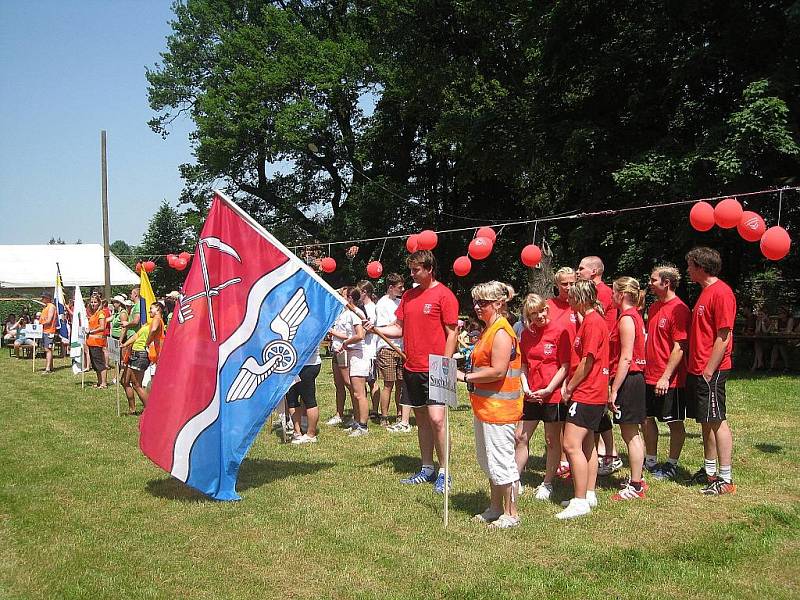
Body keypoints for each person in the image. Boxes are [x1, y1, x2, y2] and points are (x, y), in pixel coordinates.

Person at [370, 250, 459, 494]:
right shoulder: (408, 296)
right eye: (410, 269)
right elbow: (398, 329)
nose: (412, 274)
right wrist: (374, 329)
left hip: (438, 368)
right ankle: (427, 467)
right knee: (422, 421)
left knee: (438, 420)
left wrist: (445, 363)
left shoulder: (444, 295)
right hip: (411, 365)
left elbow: (452, 333)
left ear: (429, 269)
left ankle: (445, 471)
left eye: (416, 270)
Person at [455, 282, 523, 528]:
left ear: (498, 303)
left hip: (500, 409)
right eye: (475, 302)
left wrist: (465, 376)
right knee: (489, 461)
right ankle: (495, 507)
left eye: (482, 303)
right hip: (485, 407)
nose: (476, 307)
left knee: (503, 462)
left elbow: (498, 370)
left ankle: (511, 513)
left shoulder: (502, 332)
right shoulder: (488, 329)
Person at [685, 247, 737, 495]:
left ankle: (725, 479)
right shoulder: (706, 292)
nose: (687, 270)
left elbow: (723, 335)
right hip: (700, 368)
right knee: (706, 421)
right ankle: (709, 472)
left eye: (690, 265)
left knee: (717, 421)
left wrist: (708, 370)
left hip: (711, 370)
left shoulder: (722, 292)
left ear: (701, 267)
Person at [559, 280, 609, 519]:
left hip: (587, 392)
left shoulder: (592, 322)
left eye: (571, 297)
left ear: (581, 299)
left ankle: (579, 501)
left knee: (570, 444)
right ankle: (588, 493)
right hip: (592, 392)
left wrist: (569, 387)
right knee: (586, 445)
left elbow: (587, 361)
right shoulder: (590, 320)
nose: (568, 301)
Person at [515, 293, 570, 501]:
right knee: (520, 436)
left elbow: (565, 366)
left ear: (547, 309)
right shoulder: (527, 335)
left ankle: (547, 483)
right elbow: (524, 365)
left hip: (552, 395)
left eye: (541, 311)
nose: (539, 316)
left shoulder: (559, 331)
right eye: (533, 313)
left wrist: (548, 389)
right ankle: (515, 478)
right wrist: (526, 387)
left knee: (551, 440)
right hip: (531, 394)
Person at [643, 265, 691, 481]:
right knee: (646, 418)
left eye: (654, 280)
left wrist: (665, 376)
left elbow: (679, 346)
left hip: (670, 380)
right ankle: (650, 460)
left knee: (673, 422)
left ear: (666, 283)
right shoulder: (653, 307)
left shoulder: (679, 309)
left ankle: (672, 464)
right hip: (648, 375)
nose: (650, 283)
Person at [577, 256, 620, 475]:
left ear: (594, 271)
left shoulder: (600, 292)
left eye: (582, 268)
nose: (578, 271)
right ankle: (603, 452)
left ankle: (610, 453)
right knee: (598, 411)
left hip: (603, 358)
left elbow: (604, 330)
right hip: (601, 356)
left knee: (599, 409)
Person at [607, 277, 648, 500]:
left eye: (613, 292)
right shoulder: (634, 317)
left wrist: (614, 389)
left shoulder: (627, 319)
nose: (611, 296)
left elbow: (625, 357)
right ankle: (637, 477)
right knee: (632, 432)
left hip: (629, 380)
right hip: (633, 379)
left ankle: (636, 485)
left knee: (630, 433)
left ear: (621, 295)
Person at [549, 266, 578, 479]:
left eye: (571, 283)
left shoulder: (580, 305)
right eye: (564, 284)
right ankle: (561, 459)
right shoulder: (549, 306)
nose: (568, 287)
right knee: (557, 417)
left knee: (577, 417)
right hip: (555, 367)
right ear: (557, 284)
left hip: (578, 367)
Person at [374, 273, 410, 431]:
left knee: (401, 384)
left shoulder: (401, 302)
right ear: (390, 287)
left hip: (402, 347)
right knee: (388, 383)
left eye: (402, 286)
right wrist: (397, 322)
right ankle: (384, 415)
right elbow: (382, 328)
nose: (402, 289)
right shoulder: (382, 304)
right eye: (399, 287)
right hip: (387, 347)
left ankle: (400, 413)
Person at [121, 302, 164, 413]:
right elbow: (137, 335)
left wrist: (147, 343)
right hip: (135, 353)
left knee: (136, 384)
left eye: (151, 309)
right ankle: (132, 409)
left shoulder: (157, 319)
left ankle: (150, 410)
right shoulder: (150, 322)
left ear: (158, 309)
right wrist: (124, 344)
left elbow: (154, 330)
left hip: (141, 354)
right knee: (124, 381)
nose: (149, 311)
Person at [326, 287, 355, 427]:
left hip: (344, 350)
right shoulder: (339, 313)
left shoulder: (351, 314)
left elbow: (350, 336)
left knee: (349, 383)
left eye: (342, 295)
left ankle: (357, 413)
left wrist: (332, 332)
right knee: (338, 384)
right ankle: (339, 413)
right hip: (335, 350)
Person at [287, 345, 322, 444]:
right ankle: (297, 432)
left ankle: (311, 434)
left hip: (309, 364)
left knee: (308, 399)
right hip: (291, 364)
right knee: (291, 399)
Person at [357, 280, 381, 422]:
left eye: (358, 292)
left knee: (372, 381)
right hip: (361, 350)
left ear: (365, 292)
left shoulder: (372, 308)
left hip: (370, 349)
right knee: (362, 382)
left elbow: (370, 329)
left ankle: (374, 409)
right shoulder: (360, 308)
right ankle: (363, 409)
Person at [86, 296, 108, 388]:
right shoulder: (94, 314)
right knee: (95, 364)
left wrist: (91, 331)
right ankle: (99, 382)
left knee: (100, 363)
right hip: (91, 341)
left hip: (97, 342)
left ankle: (104, 383)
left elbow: (102, 327)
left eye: (95, 302)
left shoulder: (101, 314)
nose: (93, 304)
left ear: (99, 303)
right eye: (92, 302)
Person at [770, 306, 794, 371]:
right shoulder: (777, 320)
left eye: (780, 313)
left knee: (781, 346)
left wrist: (781, 332)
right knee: (775, 346)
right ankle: (772, 367)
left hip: (790, 339)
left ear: (785, 314)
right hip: (780, 339)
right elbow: (773, 330)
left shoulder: (790, 319)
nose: (779, 314)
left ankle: (787, 366)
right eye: (778, 313)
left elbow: (788, 331)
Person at [38, 290, 57, 373]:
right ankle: (50, 367)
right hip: (45, 330)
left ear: (47, 298)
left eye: (43, 297)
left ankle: (48, 368)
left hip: (49, 331)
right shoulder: (46, 307)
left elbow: (49, 320)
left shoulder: (51, 307)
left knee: (48, 349)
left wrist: (40, 323)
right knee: (47, 349)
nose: (42, 299)